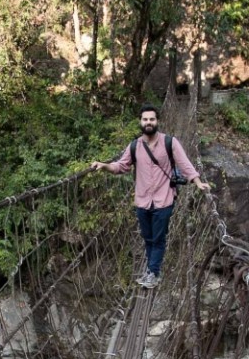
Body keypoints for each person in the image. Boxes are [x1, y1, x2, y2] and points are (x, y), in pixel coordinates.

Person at [90, 104, 210, 288]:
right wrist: (104, 165)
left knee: (158, 238)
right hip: (143, 200)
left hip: (164, 199)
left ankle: (153, 273)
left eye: (152, 119)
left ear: (157, 121)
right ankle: (151, 270)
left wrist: (197, 181)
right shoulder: (134, 146)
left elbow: (184, 164)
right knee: (148, 237)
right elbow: (121, 166)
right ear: (140, 121)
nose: (148, 122)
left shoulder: (170, 142)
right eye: (145, 119)